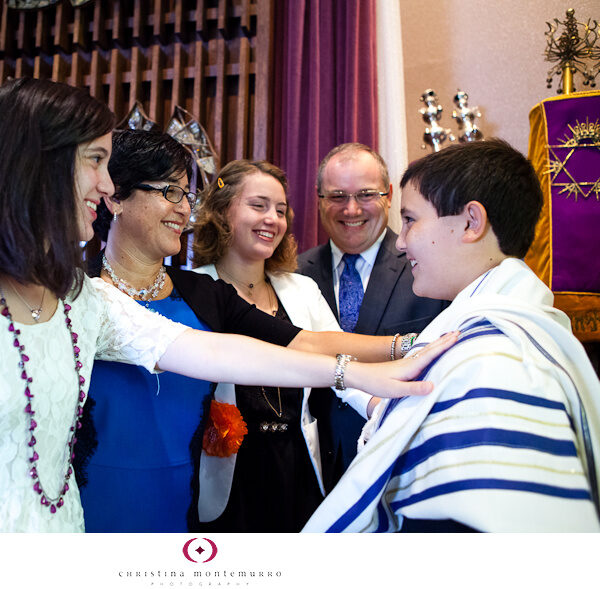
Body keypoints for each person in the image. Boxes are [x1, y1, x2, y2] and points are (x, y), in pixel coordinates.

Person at [0, 80, 454, 533]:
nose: (105, 187)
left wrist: (364, 371)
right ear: (35, 166)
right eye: (96, 162)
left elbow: (216, 349)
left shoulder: (81, 299)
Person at [77, 130, 445, 533]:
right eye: (170, 193)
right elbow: (225, 355)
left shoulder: (203, 294)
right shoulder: (77, 293)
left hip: (186, 505)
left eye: (187, 196)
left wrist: (409, 345)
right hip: (97, 497)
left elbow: (303, 340)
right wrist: (354, 371)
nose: (184, 210)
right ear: (113, 197)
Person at [303, 139, 600, 532]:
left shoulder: (494, 360)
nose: (402, 239)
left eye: (410, 220)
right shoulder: (493, 333)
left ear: (471, 223)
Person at [191, 159, 372, 531]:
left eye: (280, 210)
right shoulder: (192, 289)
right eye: (258, 206)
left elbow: (339, 363)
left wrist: (377, 403)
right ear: (223, 212)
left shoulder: (301, 289)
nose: (272, 218)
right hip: (228, 471)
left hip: (299, 463)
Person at [297, 143, 449, 479]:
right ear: (319, 199)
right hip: (314, 467)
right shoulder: (293, 274)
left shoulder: (430, 269)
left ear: (389, 195)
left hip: (403, 460)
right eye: (337, 196)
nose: (351, 209)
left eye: (365, 194)